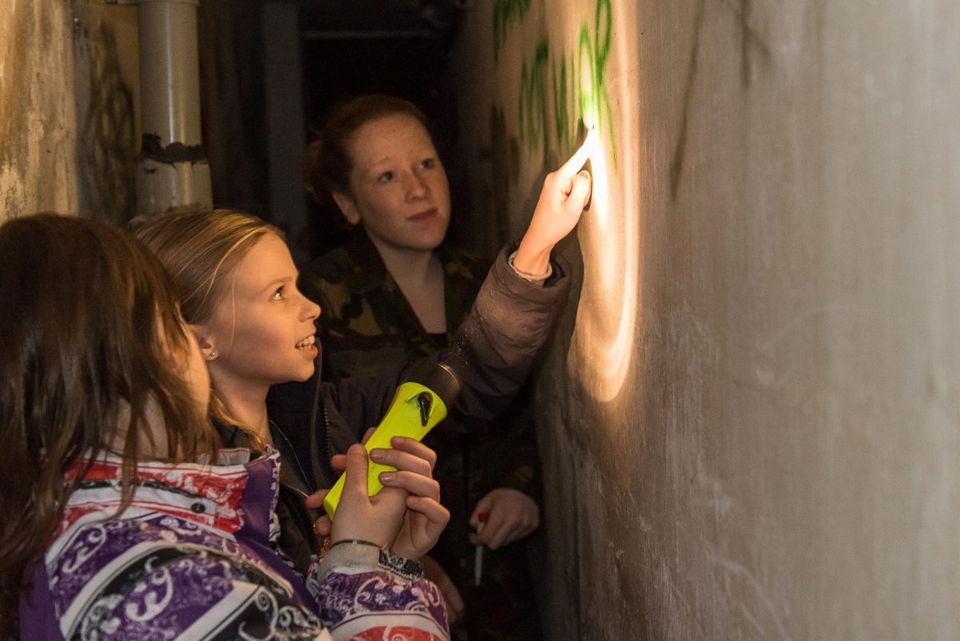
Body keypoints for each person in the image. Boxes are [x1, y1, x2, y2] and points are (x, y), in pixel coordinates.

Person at [135, 126, 590, 615]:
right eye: (278, 293)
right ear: (199, 337)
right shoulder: (192, 494)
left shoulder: (322, 416)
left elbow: (468, 371)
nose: (311, 308)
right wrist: (358, 558)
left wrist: (535, 250)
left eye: (296, 285)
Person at [0, 213, 451, 641]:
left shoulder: (123, 536)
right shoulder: (160, 578)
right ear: (121, 365)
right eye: (172, 323)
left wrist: (371, 560)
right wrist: (363, 564)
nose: (189, 347)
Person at [300, 94, 550, 640]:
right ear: (348, 203)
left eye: (426, 164)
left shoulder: (483, 281)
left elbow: (525, 404)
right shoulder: (316, 299)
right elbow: (323, 441)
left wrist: (520, 486)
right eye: (387, 176)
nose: (418, 189)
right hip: (387, 570)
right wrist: (400, 559)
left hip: (495, 566)